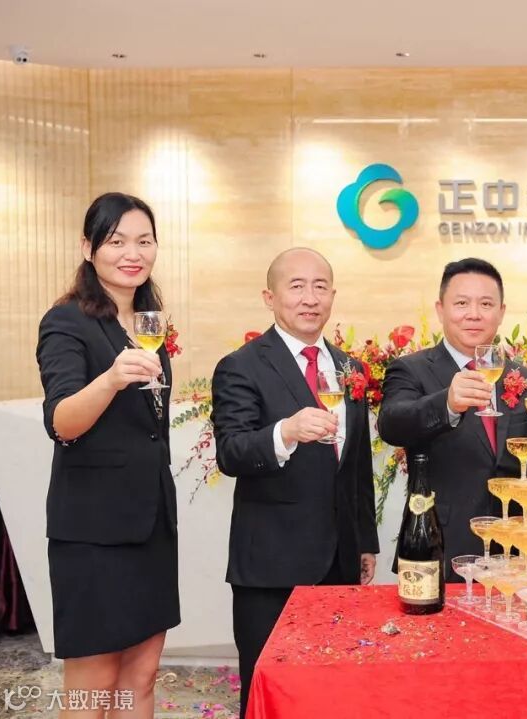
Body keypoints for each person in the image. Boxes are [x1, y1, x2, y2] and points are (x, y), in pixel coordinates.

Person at [210, 247, 378, 719]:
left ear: (333, 296)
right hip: (271, 565)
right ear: (270, 297)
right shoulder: (241, 366)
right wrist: (285, 431)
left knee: (334, 691)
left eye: (320, 286)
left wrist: (364, 541)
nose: (310, 298)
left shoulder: (350, 369)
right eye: (297, 286)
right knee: (271, 692)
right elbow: (231, 452)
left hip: (340, 561)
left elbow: (357, 464)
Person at [36, 192, 178, 719]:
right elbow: (61, 422)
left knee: (141, 676)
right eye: (116, 241)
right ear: (88, 247)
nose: (132, 253)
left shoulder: (147, 322)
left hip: (151, 523)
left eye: (144, 241)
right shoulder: (66, 321)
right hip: (93, 530)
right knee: (94, 684)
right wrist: (112, 378)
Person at [378, 258, 527, 573]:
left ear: (501, 312)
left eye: (486, 304)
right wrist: (447, 404)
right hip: (441, 541)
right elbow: (392, 423)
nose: (474, 314)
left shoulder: (524, 378)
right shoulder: (411, 369)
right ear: (440, 310)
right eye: (462, 303)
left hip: (516, 549)